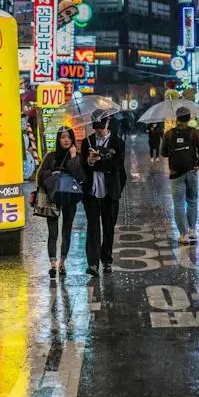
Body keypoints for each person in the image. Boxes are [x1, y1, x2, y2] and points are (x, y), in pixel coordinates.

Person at [81, 109, 126, 276]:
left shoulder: (118, 143)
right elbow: (82, 167)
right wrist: (89, 162)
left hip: (110, 193)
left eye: (101, 126)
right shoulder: (88, 142)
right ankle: (92, 263)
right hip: (91, 193)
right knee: (93, 228)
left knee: (108, 228)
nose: (98, 130)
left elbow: (117, 167)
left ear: (108, 124)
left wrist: (99, 161)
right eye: (95, 127)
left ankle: (106, 260)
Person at [35, 126, 83, 278]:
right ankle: (53, 264)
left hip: (69, 198)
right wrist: (52, 173)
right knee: (53, 232)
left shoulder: (77, 156)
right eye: (62, 137)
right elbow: (40, 176)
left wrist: (74, 157)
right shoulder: (51, 156)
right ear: (58, 139)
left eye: (68, 137)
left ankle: (62, 262)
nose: (66, 140)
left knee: (67, 230)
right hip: (52, 198)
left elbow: (80, 176)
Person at [161, 106, 199, 243]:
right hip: (192, 172)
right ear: (189, 118)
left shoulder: (169, 134)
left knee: (179, 203)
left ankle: (183, 234)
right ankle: (192, 230)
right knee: (192, 201)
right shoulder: (195, 133)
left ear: (177, 118)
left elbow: (163, 153)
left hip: (176, 174)